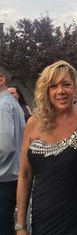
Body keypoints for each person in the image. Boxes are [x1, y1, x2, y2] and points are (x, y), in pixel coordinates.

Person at [16, 60, 77, 235]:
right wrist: (20, 225)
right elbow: (25, 175)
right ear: (46, 90)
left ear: (75, 89)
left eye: (66, 85)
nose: (60, 91)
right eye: (53, 86)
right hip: (42, 218)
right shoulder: (33, 123)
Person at [0, 67, 25, 235]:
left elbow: (5, 146)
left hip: (3, 177)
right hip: (13, 175)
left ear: (1, 79)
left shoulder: (2, 106)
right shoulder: (13, 103)